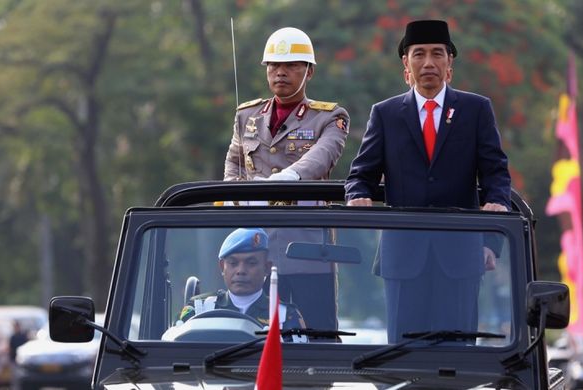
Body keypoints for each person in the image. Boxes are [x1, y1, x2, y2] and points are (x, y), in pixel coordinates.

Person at [344, 20, 511, 342]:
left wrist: (492, 237)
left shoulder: (476, 109)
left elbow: (496, 174)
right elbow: (361, 174)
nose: (429, 62)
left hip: (461, 255)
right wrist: (358, 195)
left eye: (438, 53)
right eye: (418, 54)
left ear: (450, 63)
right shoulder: (386, 113)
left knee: (458, 350)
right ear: (406, 64)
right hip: (403, 256)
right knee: (403, 353)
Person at [223, 27, 349, 330]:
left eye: (292, 66)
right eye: (274, 66)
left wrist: (290, 176)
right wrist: (234, 196)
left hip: (305, 249)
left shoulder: (329, 117)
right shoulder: (247, 116)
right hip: (254, 252)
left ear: (309, 72)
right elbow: (234, 162)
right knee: (249, 333)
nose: (281, 73)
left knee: (316, 333)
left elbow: (323, 155)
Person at [178, 228, 306, 330]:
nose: (241, 271)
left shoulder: (285, 316)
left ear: (267, 268)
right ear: (222, 267)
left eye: (251, 263)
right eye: (233, 263)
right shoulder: (198, 309)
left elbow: (298, 360)